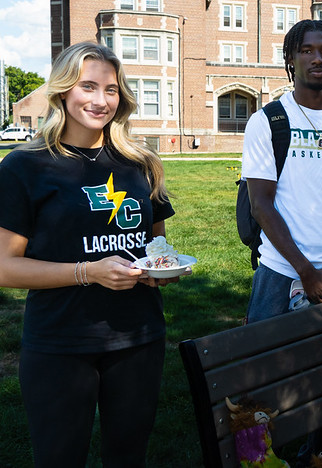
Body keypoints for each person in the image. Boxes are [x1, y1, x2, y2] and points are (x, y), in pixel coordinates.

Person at [0, 42, 180, 467]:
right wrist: (87, 271)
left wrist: (162, 269)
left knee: (128, 457)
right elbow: (5, 267)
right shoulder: (24, 167)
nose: (101, 100)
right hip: (61, 341)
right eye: (88, 87)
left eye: (111, 89)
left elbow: (156, 246)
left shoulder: (141, 162)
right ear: (63, 90)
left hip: (138, 336)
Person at [241, 18, 322, 323]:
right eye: (306, 50)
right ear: (290, 58)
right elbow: (260, 204)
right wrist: (305, 270)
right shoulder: (266, 122)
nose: (318, 58)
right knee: (270, 354)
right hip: (281, 271)